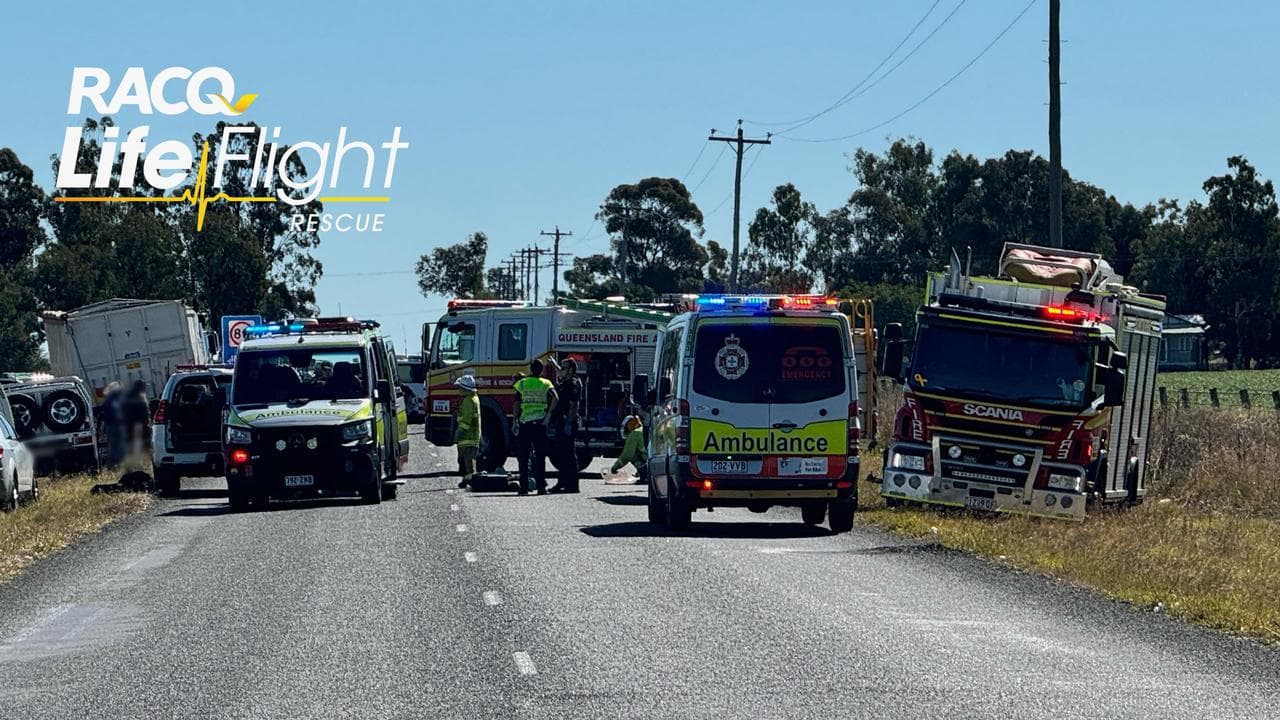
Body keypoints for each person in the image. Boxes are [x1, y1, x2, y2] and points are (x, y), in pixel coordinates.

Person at [513, 359, 557, 495]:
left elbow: (516, 404)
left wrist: (515, 421)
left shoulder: (522, 383)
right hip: (540, 423)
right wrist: (548, 416)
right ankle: (541, 488)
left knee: (523, 457)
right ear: (541, 370)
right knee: (540, 457)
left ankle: (523, 488)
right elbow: (555, 398)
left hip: (525, 423)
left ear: (531, 369)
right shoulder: (546, 383)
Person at [547, 358, 583, 493]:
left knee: (568, 454)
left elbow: (574, 404)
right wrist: (555, 365)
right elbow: (561, 373)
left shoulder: (572, 384)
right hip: (562, 421)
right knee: (562, 454)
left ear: (571, 370)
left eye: (564, 368)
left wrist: (568, 422)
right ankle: (562, 483)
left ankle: (572, 485)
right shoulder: (567, 381)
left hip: (567, 421)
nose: (561, 371)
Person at [454, 375, 481, 489]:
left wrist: (458, 433)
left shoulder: (468, 401)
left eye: (460, 387)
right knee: (465, 461)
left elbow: (466, 420)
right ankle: (467, 480)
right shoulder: (474, 398)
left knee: (469, 461)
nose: (458, 390)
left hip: (468, 436)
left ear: (465, 388)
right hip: (471, 436)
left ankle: (472, 482)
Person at [610, 415, 648, 485]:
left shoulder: (634, 434)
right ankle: (645, 473)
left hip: (648, 460)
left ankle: (644, 475)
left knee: (634, 456)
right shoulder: (642, 430)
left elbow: (626, 456)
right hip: (652, 459)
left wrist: (615, 468)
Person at [119, 380, 151, 458]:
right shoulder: (140, 397)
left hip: (128, 427)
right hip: (139, 427)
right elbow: (144, 414)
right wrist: (147, 425)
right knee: (146, 446)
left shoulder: (127, 397)